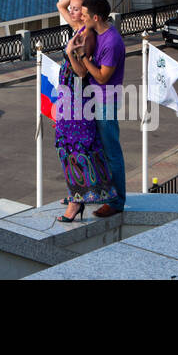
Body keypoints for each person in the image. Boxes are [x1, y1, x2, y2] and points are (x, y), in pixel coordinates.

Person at [54, 16, 118, 223]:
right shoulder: (81, 30)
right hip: (68, 99)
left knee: (78, 148)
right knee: (65, 146)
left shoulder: (88, 35)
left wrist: (69, 53)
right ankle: (75, 194)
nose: (72, 12)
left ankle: (77, 200)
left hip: (79, 101)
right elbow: (60, 6)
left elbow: (82, 73)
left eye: (77, 8)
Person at [70, 0, 127, 217]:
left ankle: (117, 202)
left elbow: (103, 77)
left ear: (95, 17)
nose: (81, 18)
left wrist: (83, 57)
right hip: (95, 97)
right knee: (101, 149)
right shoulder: (99, 33)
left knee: (112, 151)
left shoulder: (112, 42)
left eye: (84, 15)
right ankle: (107, 195)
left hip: (106, 99)